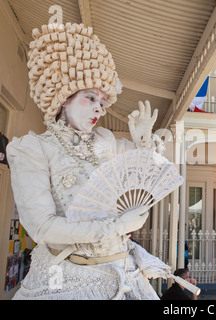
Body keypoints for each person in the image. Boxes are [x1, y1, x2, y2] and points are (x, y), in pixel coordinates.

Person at [6, 23, 171, 300]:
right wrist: (117, 226)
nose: (99, 108)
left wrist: (144, 139)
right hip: (65, 278)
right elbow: (42, 227)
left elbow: (148, 171)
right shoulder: (34, 149)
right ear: (63, 97)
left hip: (122, 270)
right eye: (90, 98)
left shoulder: (104, 141)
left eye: (103, 102)